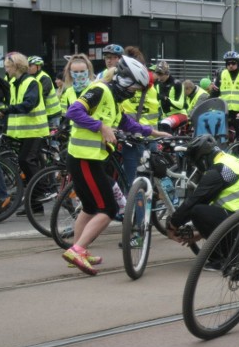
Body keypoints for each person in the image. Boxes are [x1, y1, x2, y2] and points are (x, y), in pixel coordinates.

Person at [62, 55, 170, 274]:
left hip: (91, 158)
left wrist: (152, 132)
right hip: (85, 158)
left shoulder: (113, 98)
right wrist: (100, 127)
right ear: (124, 81)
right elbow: (74, 112)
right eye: (134, 89)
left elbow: (125, 122)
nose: (135, 93)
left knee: (91, 207)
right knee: (108, 208)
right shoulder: (101, 90)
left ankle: (78, 249)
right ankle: (78, 249)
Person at [166, 135, 239, 248]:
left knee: (197, 210)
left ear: (203, 158)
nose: (199, 168)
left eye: (197, 163)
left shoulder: (218, 170)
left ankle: (224, 259)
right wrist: (201, 234)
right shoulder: (230, 161)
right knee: (212, 207)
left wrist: (172, 225)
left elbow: (195, 200)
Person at [0, 53, 48, 212]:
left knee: (25, 160)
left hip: (34, 129)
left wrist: (8, 110)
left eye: (8, 66)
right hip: (22, 132)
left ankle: (42, 191)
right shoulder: (13, 82)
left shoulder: (31, 82)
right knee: (23, 163)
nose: (6, 69)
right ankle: (35, 205)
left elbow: (29, 104)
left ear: (16, 66)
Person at [119, 46, 159, 185]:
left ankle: (133, 205)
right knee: (150, 182)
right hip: (151, 136)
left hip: (133, 138)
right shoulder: (152, 85)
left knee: (132, 183)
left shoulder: (126, 86)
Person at [27, 56, 62, 130]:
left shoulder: (44, 78)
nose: (28, 68)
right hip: (43, 113)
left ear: (38, 66)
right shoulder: (31, 77)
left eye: (30, 65)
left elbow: (42, 95)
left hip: (53, 114)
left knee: (53, 139)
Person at [154, 60, 189, 134]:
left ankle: (170, 142)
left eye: (161, 74)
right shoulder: (158, 84)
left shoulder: (177, 84)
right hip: (165, 116)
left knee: (165, 123)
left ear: (167, 73)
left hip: (180, 114)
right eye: (157, 74)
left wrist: (165, 99)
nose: (159, 77)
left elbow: (180, 105)